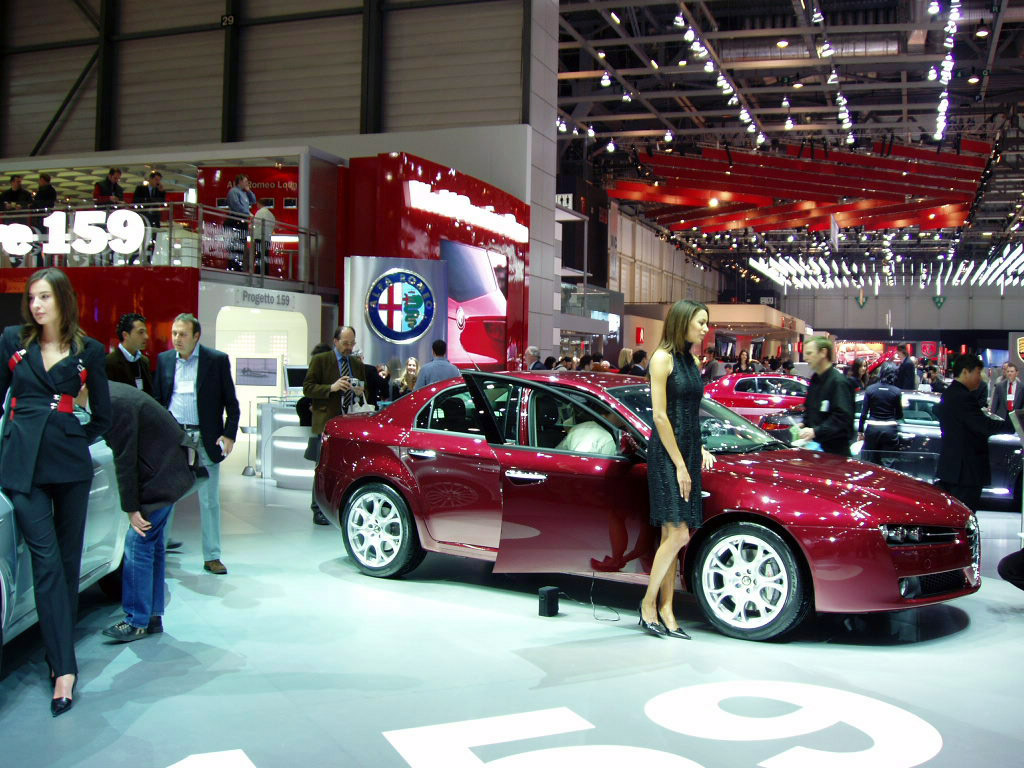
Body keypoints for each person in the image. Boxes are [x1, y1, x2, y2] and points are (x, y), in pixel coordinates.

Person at [0, 267, 111, 716]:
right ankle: (64, 669)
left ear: (63, 300)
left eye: (44, 297)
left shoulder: (91, 353)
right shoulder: (12, 341)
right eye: (32, 298)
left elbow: (102, 417)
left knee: (66, 566)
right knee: (46, 564)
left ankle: (58, 657)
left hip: (69, 467)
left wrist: (70, 437)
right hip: (21, 467)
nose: (36, 306)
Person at [639, 299, 715, 640]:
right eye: (700, 322)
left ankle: (668, 611)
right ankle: (647, 604)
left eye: (706, 323)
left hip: (687, 451)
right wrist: (681, 465)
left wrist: (699, 447)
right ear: (683, 321)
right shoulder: (661, 358)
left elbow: (688, 411)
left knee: (673, 537)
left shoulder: (691, 360)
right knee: (680, 534)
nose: (704, 329)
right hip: (667, 456)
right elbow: (660, 416)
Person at [100, 382, 196, 642]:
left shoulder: (113, 403)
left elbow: (125, 459)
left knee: (137, 542)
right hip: (167, 470)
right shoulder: (113, 394)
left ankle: (136, 620)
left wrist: (131, 508)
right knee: (151, 545)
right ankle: (151, 616)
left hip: (161, 476)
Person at [153, 314, 240, 574]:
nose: (177, 339)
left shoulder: (216, 361)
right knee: (166, 498)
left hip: (205, 438)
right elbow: (158, 401)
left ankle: (212, 555)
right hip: (174, 438)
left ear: (196, 336)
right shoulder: (165, 360)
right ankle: (158, 551)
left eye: (182, 334)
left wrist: (229, 434)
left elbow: (231, 404)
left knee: (209, 500)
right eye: (174, 334)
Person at [303, 326, 375, 524]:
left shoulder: (356, 363)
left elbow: (363, 386)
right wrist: (331, 388)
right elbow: (307, 388)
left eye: (352, 344)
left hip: (350, 421)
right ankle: (317, 508)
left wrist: (361, 391)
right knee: (322, 467)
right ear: (335, 341)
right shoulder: (321, 360)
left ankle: (341, 505)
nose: (349, 348)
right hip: (327, 422)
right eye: (345, 344)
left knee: (345, 468)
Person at [935, 354, 1014, 513]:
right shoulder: (963, 397)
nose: (980, 377)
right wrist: (1012, 425)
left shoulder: (950, 393)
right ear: (965, 372)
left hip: (955, 468)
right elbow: (982, 425)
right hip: (965, 470)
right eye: (977, 372)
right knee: (963, 515)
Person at [798, 336, 855, 456]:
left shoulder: (838, 382)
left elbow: (842, 417)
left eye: (809, 353)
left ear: (823, 352)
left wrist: (815, 431)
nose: (805, 358)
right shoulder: (815, 379)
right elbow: (810, 410)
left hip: (836, 454)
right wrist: (804, 424)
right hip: (815, 449)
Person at [858, 362, 903, 465]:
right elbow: (899, 415)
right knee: (888, 463)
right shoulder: (896, 391)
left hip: (873, 428)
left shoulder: (870, 390)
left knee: (870, 462)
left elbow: (863, 414)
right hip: (889, 429)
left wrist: (860, 431)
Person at [105, 312, 154, 396]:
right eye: (141, 332)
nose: (146, 337)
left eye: (146, 332)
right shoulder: (109, 362)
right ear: (125, 335)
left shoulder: (144, 361)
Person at [226, 174, 257, 269]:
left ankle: (238, 266)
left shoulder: (244, 193)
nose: (247, 183)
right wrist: (248, 213)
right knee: (235, 245)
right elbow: (236, 205)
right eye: (245, 181)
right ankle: (233, 266)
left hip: (243, 221)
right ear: (240, 182)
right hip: (236, 220)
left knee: (241, 245)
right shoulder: (233, 192)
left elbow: (253, 201)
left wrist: (248, 190)